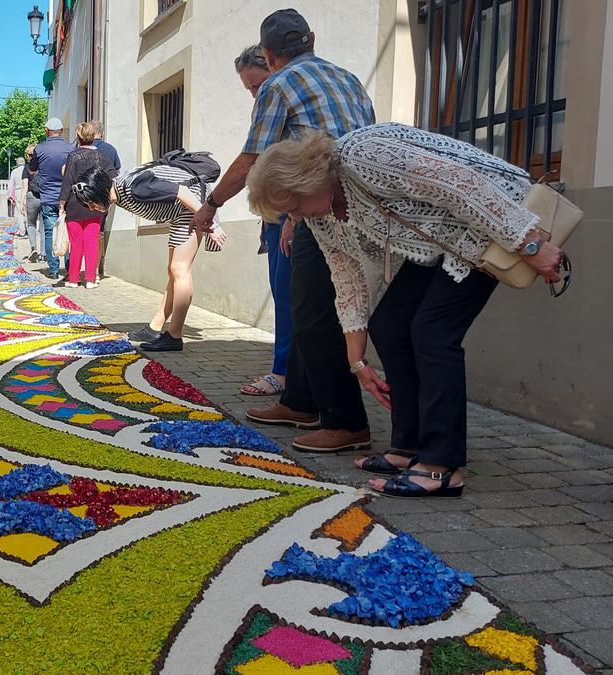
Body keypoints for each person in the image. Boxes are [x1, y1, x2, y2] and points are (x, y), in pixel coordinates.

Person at [246, 123, 564, 497]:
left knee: (432, 332)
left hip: (492, 218)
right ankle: (409, 446)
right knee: (389, 324)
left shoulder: (363, 155)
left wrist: (530, 244)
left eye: (294, 207)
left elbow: (462, 185)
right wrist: (358, 362)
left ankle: (441, 467)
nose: (295, 217)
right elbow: (345, 278)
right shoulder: (320, 213)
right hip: (443, 239)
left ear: (308, 180)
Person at [192, 9, 375, 453]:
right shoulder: (349, 78)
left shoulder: (279, 84)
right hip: (353, 199)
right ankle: (299, 400)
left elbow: (254, 155)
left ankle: (345, 421)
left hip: (320, 204)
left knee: (312, 310)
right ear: (312, 37)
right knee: (304, 299)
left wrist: (212, 203)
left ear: (270, 56)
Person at [72, 159, 226, 352]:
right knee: (173, 271)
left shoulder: (134, 188)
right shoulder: (121, 192)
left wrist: (212, 223)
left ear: (100, 190)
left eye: (91, 202)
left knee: (180, 269)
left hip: (192, 208)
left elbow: (183, 192)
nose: (91, 208)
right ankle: (154, 328)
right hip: (181, 214)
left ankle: (174, 336)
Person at [234, 44, 291, 398]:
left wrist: (212, 204)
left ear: (271, 64)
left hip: (290, 211)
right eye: (250, 89)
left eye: (258, 84)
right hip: (279, 211)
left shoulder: (278, 92)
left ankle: (284, 374)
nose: (256, 94)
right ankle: (290, 373)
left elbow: (252, 158)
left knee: (286, 296)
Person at [59, 122, 115, 288]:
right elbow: (113, 175)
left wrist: (62, 204)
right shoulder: (101, 156)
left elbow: (67, 182)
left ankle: (73, 279)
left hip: (75, 204)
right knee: (92, 242)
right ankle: (90, 279)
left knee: (76, 244)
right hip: (95, 204)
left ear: (78, 137)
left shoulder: (74, 156)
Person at [28, 117, 74, 279]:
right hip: (67, 198)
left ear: (47, 131)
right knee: (68, 232)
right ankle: (69, 268)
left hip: (47, 196)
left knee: (49, 232)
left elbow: (32, 170)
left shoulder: (39, 149)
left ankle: (53, 270)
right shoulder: (70, 148)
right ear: (61, 131)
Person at [91, 120, 121, 279]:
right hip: (104, 197)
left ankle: (85, 267)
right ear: (102, 133)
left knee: (86, 231)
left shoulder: (84, 149)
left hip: (86, 196)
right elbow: (117, 172)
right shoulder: (111, 149)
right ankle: (96, 269)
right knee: (99, 232)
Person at [22, 144, 42, 263]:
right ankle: (44, 254)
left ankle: (33, 247)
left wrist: (21, 202)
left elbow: (24, 186)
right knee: (44, 227)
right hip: (45, 196)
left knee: (31, 224)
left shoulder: (27, 168)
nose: (29, 157)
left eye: (29, 155)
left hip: (31, 196)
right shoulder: (44, 166)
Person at [9, 157, 26, 233]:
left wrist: (10, 196)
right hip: (27, 191)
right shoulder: (27, 170)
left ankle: (22, 230)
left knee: (20, 211)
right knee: (27, 211)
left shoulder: (14, 171)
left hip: (18, 191)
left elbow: (11, 185)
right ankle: (29, 229)